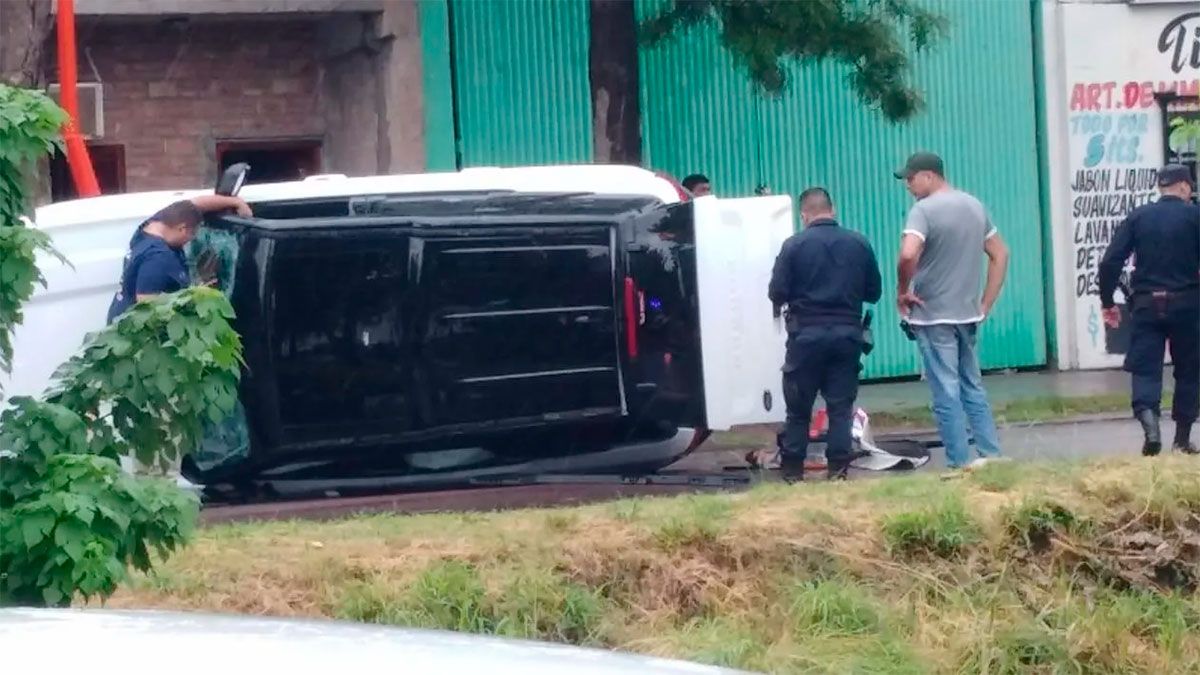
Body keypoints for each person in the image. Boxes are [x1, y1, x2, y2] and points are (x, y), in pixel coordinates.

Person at [894, 152, 1010, 473]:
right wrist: (985, 303)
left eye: (911, 178)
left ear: (929, 176)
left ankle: (959, 464)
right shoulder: (974, 205)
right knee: (972, 385)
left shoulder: (923, 211)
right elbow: (1000, 254)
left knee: (945, 390)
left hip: (932, 316)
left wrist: (903, 290)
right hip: (967, 315)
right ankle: (992, 457)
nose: (907, 185)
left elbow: (907, 255)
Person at [768, 187, 882, 481]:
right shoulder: (859, 243)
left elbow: (776, 292)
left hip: (805, 336)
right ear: (833, 210)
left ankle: (793, 473)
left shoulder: (794, 245)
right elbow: (874, 292)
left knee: (798, 409)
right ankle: (838, 472)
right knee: (841, 408)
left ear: (804, 215)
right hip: (847, 335)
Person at [1098, 164, 1200, 456]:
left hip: (1146, 304)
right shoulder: (1195, 216)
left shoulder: (1138, 217)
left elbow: (1109, 263)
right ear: (1182, 186)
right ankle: (1182, 439)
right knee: (1189, 370)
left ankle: (1151, 428)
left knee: (1145, 369)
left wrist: (1107, 301)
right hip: (1187, 303)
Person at [106, 194, 252, 323]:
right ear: (182, 228)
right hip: (138, 338)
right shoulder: (158, 259)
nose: (192, 239)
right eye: (192, 234)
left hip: (120, 316)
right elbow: (147, 309)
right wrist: (195, 296)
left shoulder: (153, 226)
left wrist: (235, 202)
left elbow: (192, 205)